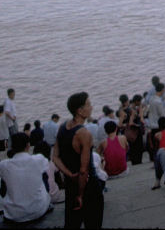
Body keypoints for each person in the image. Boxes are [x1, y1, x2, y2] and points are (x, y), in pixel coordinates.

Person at [53, 91, 104, 229]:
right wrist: (80, 195)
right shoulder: (84, 134)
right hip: (88, 187)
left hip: (70, 185)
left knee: (71, 223)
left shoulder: (62, 127)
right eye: (89, 104)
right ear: (80, 111)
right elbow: (83, 170)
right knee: (93, 223)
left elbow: (55, 157)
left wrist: (69, 175)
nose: (91, 107)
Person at [0, 132, 52, 224]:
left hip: (13, 214)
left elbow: (2, 191)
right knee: (42, 175)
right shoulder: (38, 159)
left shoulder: (3, 165)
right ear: (28, 145)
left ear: (12, 148)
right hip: (38, 210)